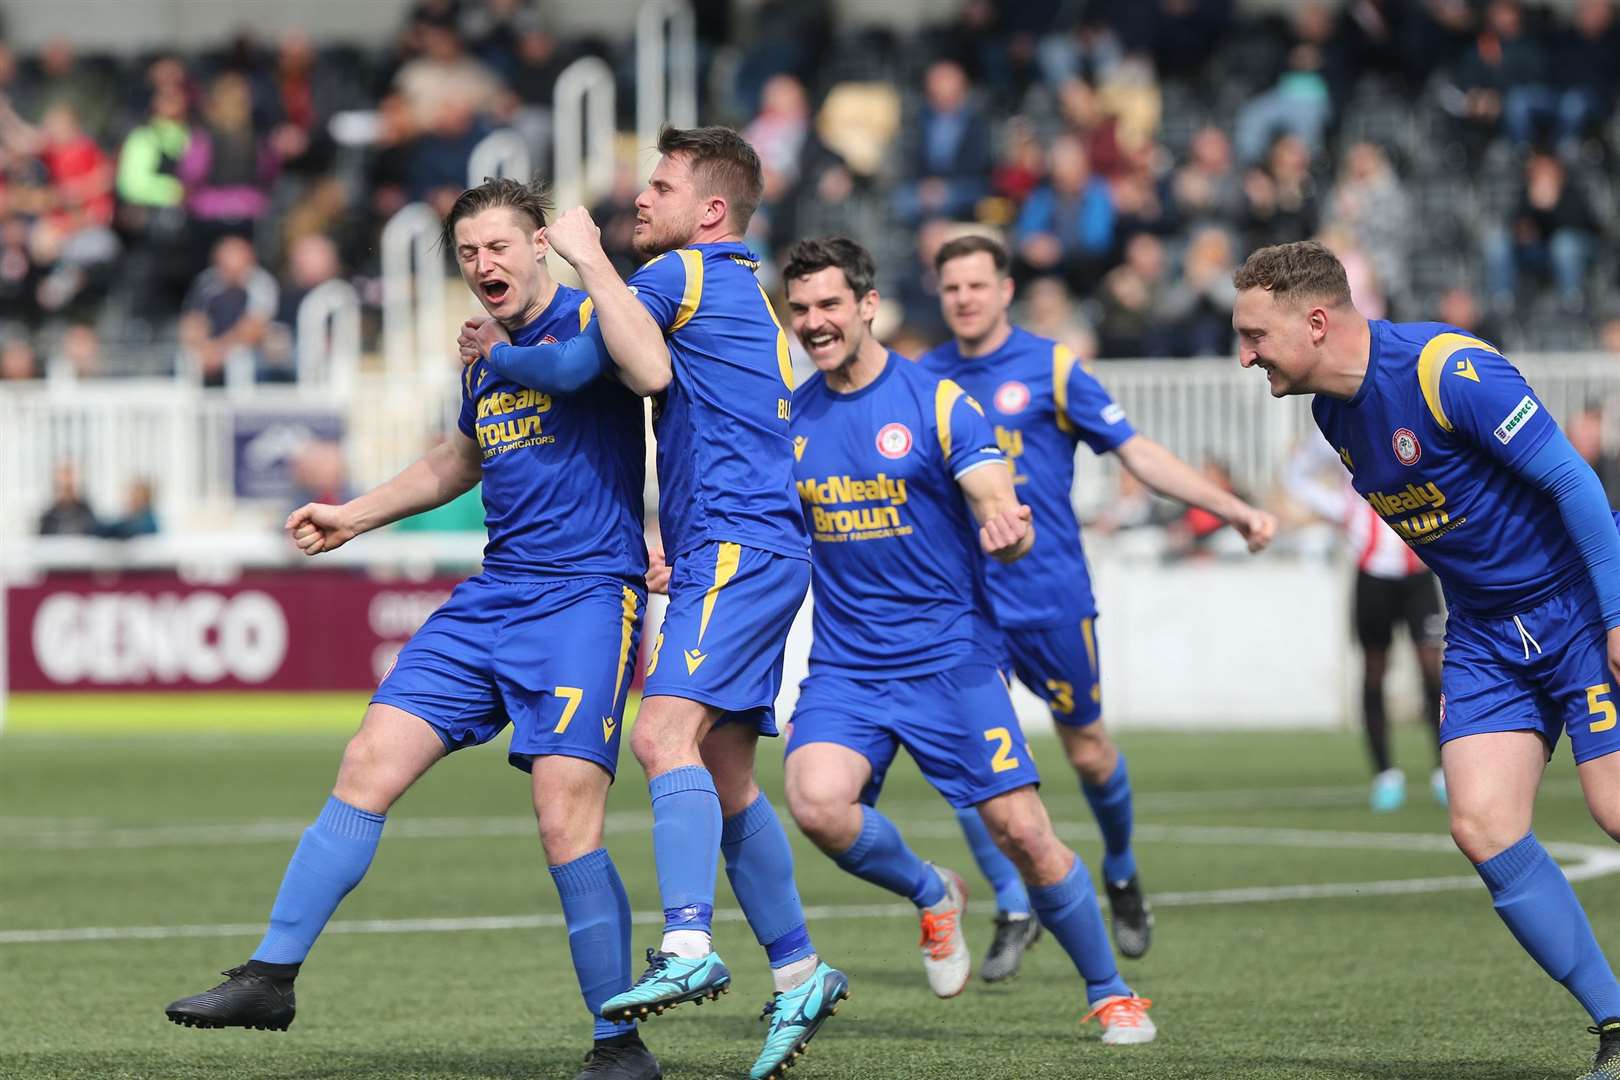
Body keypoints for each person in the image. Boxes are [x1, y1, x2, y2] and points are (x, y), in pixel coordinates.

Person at [163, 177, 661, 1080]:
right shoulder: (487, 356)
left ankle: (618, 1042)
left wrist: (495, 357)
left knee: (564, 819)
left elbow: (584, 372)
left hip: (588, 597)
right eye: (469, 255)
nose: (484, 266)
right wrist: (356, 515)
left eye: (500, 247)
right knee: (368, 759)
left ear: (539, 246)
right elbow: (457, 457)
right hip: (495, 595)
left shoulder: (591, 321)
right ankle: (270, 975)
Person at [457, 126, 846, 1080]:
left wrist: (570, 277)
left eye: (661, 186)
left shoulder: (682, 275)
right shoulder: (736, 287)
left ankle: (684, 944)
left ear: (708, 210)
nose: (641, 198)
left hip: (737, 549)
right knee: (724, 773)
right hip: (745, 545)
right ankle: (799, 968)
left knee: (659, 737)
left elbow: (632, 369)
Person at [1231, 239, 1620, 1080]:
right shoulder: (1330, 415)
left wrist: (1617, 615)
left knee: (1614, 807)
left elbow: (1575, 482)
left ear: (1317, 321)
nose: (1245, 354)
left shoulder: (1450, 371)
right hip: (1483, 632)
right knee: (1481, 823)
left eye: (1256, 335)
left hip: (1576, 612)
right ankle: (1617, 1025)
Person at [778, 235, 1157, 1044]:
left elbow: (996, 503)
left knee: (1022, 832)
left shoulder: (938, 401)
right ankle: (932, 892)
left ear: (867, 305)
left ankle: (1110, 989)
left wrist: (1010, 531)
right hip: (847, 668)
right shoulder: (792, 422)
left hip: (950, 659)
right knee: (814, 803)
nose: (815, 322)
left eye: (830, 305)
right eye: (801, 309)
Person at [917, 234, 1276, 981]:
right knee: (970, 759)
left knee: (1088, 750)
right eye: (951, 288)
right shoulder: (923, 380)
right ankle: (1015, 901)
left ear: (1005, 289)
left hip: (1049, 596)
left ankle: (1119, 868)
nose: (963, 299)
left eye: (977, 285)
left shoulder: (1050, 367)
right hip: (965, 607)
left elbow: (1136, 452)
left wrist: (1230, 506)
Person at [1285, 437, 1445, 811]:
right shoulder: (1342, 430)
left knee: (1432, 671)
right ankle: (1385, 774)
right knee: (1374, 672)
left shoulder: (1411, 426)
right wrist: (1338, 508)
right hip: (1372, 574)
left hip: (1418, 571)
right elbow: (1298, 474)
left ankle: (1444, 769)